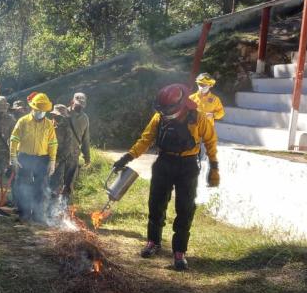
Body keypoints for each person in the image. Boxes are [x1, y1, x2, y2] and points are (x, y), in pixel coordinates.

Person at [112, 83, 219, 271]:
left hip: (187, 165)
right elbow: (145, 139)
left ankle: (179, 252)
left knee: (185, 208)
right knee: (156, 204)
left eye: (167, 109)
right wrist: (127, 157)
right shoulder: (159, 117)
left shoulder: (197, 118)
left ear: (180, 104)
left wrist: (214, 167)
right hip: (164, 162)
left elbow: (211, 141)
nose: (164, 112)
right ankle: (153, 242)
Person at [9, 92, 58, 222]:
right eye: (38, 110)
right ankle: (24, 214)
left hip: (42, 158)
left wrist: (52, 160)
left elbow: (53, 143)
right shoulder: (23, 121)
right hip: (25, 157)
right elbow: (14, 139)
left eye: (43, 111)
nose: (40, 113)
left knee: (41, 186)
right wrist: (13, 157)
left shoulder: (49, 124)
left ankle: (38, 215)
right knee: (22, 185)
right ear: (33, 108)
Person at [54, 93, 91, 199]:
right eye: (78, 105)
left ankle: (65, 205)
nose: (80, 107)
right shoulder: (62, 113)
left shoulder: (85, 118)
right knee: (56, 182)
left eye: (82, 105)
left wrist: (87, 157)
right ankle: (52, 205)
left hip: (73, 156)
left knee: (69, 184)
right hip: (59, 154)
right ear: (72, 102)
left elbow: (85, 139)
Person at [189, 73, 224, 162]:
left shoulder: (215, 99)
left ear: (210, 85)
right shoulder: (191, 98)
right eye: (200, 84)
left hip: (207, 130)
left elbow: (221, 113)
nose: (202, 87)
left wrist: (213, 115)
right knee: (191, 152)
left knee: (205, 155)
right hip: (193, 129)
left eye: (204, 85)